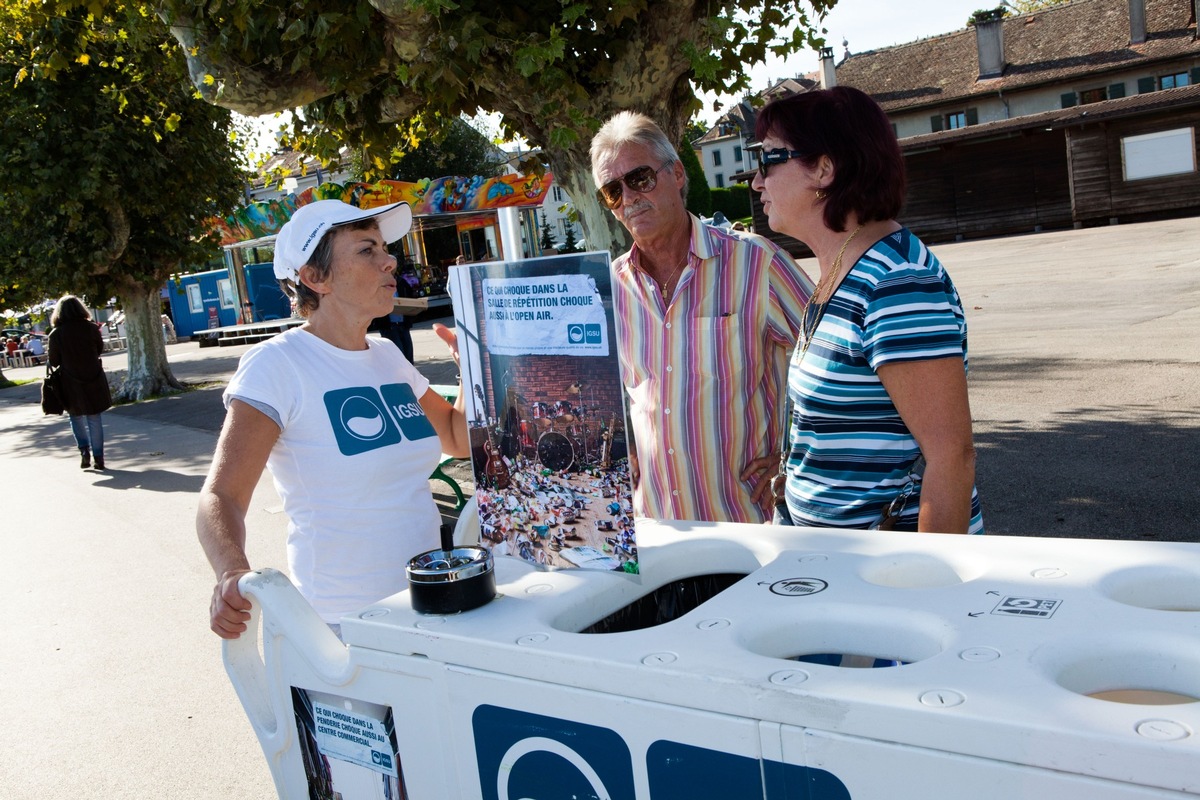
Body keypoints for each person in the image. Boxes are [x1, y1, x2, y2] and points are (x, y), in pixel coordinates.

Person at [197, 199, 471, 639]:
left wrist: (472, 367)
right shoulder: (276, 365)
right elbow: (221, 496)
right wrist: (232, 573)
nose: (390, 260)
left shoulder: (386, 354)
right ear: (314, 277)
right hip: (345, 626)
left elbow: (456, 438)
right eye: (367, 250)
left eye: (384, 247)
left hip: (431, 604)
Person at [751, 87, 982, 533]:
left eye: (768, 159)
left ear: (824, 169)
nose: (757, 181)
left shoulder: (897, 283)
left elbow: (951, 457)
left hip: (882, 573)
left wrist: (925, 583)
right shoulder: (844, 267)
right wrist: (799, 476)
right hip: (831, 560)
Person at [590, 111, 814, 524]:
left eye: (639, 178)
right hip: (657, 535)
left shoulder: (755, 263)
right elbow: (617, 394)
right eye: (612, 191)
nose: (629, 198)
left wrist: (796, 456)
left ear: (676, 173)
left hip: (746, 530)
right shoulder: (608, 289)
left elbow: (836, 365)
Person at [47, 296, 112, 469]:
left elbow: (53, 361)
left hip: (70, 381)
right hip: (93, 378)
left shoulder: (57, 333)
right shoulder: (91, 328)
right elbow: (99, 349)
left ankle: (84, 451)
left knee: (75, 416)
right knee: (94, 416)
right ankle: (99, 458)